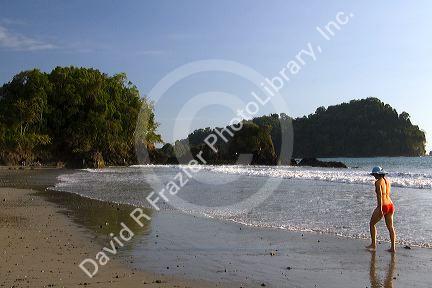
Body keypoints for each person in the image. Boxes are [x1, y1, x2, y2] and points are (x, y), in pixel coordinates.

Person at [366, 166, 396, 253]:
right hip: (390, 204)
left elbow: (379, 195)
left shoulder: (378, 182)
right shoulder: (388, 181)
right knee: (390, 227)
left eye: (374, 174)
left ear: (377, 174)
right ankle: (393, 248)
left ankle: (373, 244)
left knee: (372, 224)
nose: (373, 176)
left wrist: (380, 208)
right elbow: (387, 194)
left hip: (383, 205)